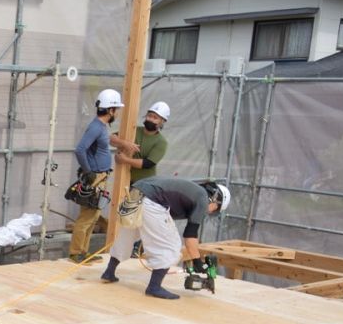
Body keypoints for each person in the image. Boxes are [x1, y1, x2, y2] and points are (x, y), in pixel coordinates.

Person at [99, 178, 230, 300]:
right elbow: (190, 235)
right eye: (215, 210)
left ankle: (109, 273)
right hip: (152, 201)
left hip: (136, 193)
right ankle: (154, 287)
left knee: (128, 235)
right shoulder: (203, 199)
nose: (210, 212)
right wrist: (197, 261)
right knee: (172, 246)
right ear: (215, 200)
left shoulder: (194, 190)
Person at [68, 89, 136, 262]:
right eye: (116, 109)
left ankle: (83, 251)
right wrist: (89, 171)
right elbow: (80, 149)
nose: (117, 113)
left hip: (100, 176)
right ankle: (76, 252)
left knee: (94, 215)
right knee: (87, 216)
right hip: (95, 177)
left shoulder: (100, 127)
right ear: (110, 110)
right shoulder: (96, 127)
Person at [118, 101, 170, 183]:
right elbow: (112, 138)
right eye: (149, 116)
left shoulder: (161, 142)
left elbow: (148, 164)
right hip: (124, 181)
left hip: (144, 184)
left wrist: (125, 160)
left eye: (155, 118)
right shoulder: (134, 130)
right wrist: (124, 143)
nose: (151, 119)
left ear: (162, 122)